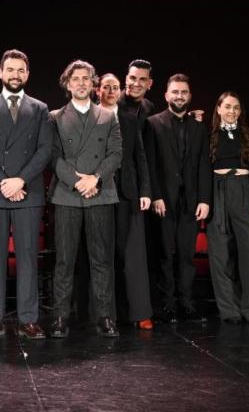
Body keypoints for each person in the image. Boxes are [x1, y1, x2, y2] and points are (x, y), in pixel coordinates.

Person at [0, 49, 53, 340]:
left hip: (27, 192)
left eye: (21, 70)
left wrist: (20, 181)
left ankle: (28, 319)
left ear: (27, 75)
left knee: (28, 257)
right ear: (0, 73)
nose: (15, 75)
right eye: (10, 70)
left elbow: (45, 150)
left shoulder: (40, 109)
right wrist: (5, 182)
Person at [48, 60, 122, 338]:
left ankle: (106, 317)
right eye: (75, 79)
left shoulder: (107, 116)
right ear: (68, 84)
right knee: (65, 261)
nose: (81, 83)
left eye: (86, 79)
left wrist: (95, 179)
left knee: (101, 259)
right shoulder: (55, 116)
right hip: (67, 195)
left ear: (93, 84)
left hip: (100, 194)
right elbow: (53, 156)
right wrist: (79, 181)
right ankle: (59, 317)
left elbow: (116, 153)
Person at [144, 74, 211, 323]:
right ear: (166, 95)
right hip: (163, 201)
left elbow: (204, 165)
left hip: (191, 202)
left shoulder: (199, 128)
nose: (179, 96)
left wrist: (205, 199)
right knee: (164, 255)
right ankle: (167, 304)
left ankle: (186, 302)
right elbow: (150, 164)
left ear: (189, 96)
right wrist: (156, 196)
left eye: (184, 92)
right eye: (175, 92)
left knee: (186, 255)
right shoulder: (152, 123)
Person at [97, 73, 153, 329]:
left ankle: (140, 312)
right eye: (106, 86)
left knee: (133, 253)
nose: (110, 90)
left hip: (128, 191)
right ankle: (107, 313)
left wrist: (145, 191)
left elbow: (140, 156)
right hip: (98, 191)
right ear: (98, 90)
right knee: (104, 252)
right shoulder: (91, 117)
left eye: (115, 87)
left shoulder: (130, 119)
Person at [207, 92, 249, 324]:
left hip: (243, 191)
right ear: (219, 109)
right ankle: (229, 310)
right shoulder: (209, 135)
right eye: (228, 106)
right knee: (220, 254)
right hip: (217, 191)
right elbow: (203, 169)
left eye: (236, 107)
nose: (232, 111)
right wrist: (205, 200)